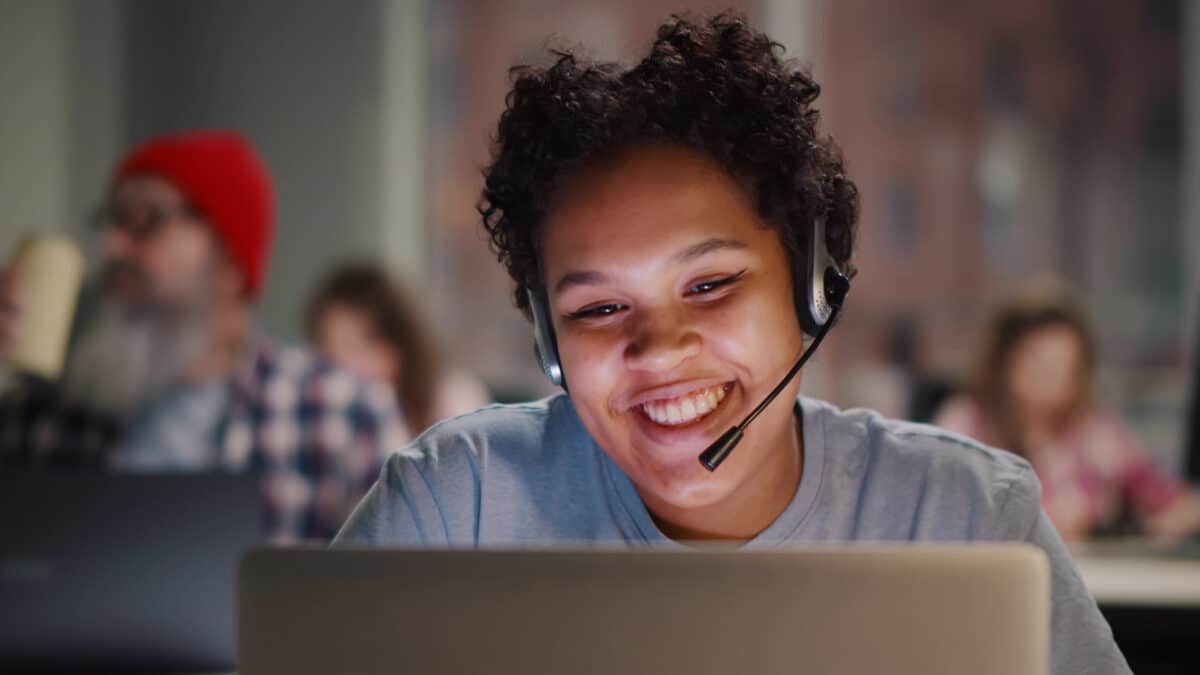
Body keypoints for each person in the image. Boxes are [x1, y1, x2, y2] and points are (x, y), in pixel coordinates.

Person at [334, 14, 1129, 673]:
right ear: (549, 340)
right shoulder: (456, 506)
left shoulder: (968, 518)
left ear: (811, 289)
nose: (657, 347)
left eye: (710, 284)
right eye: (599, 307)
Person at [0, 131, 408, 541]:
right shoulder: (41, 412)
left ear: (230, 262)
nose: (111, 247)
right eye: (112, 220)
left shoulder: (340, 415)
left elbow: (394, 594)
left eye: (144, 221)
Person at [936, 289, 1200, 542]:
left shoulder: (1094, 432)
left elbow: (1165, 497)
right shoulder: (965, 423)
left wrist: (1152, 524)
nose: (1051, 378)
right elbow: (941, 509)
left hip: (1087, 576)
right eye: (1038, 362)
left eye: (1064, 366)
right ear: (1004, 361)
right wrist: (1031, 520)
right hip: (999, 576)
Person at [306, 260, 491, 435]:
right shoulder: (322, 418)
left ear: (397, 347)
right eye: (327, 348)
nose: (340, 364)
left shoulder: (454, 400)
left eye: (354, 346)